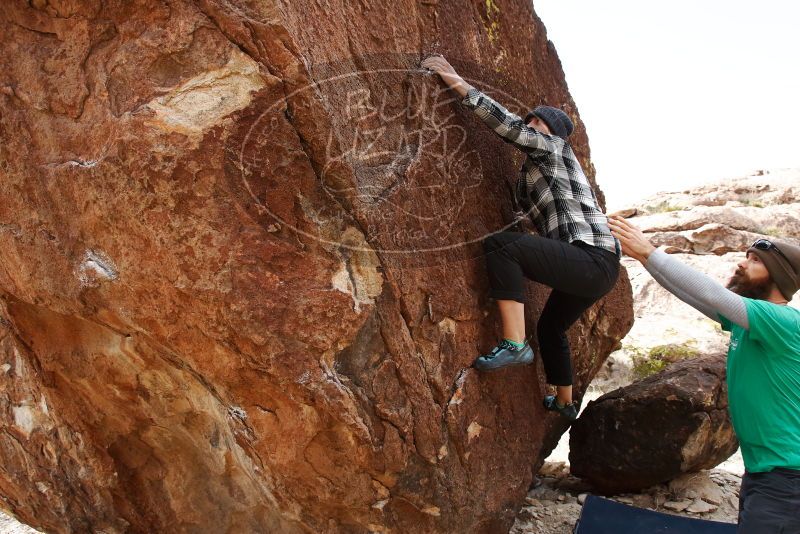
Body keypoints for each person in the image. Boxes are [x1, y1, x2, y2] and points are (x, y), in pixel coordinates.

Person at [421, 55, 621, 421]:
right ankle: (564, 401)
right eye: (530, 119)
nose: (531, 124)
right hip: (595, 269)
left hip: (592, 258)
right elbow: (528, 218)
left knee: (501, 247)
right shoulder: (533, 174)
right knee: (551, 326)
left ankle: (514, 344)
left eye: (538, 121)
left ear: (552, 131)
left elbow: (508, 127)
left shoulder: (556, 148)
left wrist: (454, 80)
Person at [608, 215, 800, 534]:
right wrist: (644, 258)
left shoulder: (781, 321)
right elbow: (696, 296)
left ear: (779, 276)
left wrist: (651, 251)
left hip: (787, 481)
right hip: (765, 475)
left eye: (755, 261)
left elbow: (713, 294)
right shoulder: (750, 323)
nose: (742, 264)